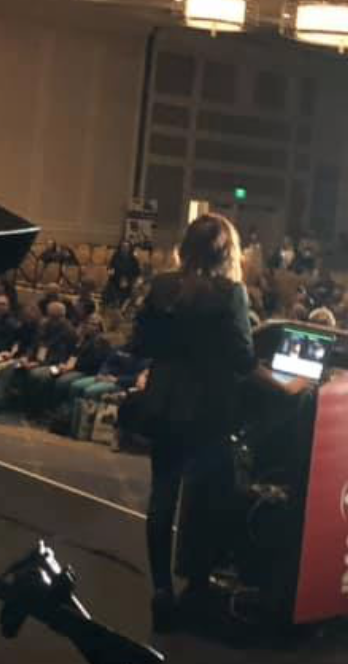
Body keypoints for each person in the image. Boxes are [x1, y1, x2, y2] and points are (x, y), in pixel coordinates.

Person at [131, 213, 257, 630]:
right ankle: (198, 584)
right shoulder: (230, 293)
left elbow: (141, 343)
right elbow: (242, 357)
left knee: (161, 499)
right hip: (209, 410)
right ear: (228, 252)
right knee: (210, 498)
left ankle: (161, 590)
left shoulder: (163, 287)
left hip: (165, 404)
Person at [103, 240, 142, 309]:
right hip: (116, 281)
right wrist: (110, 272)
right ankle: (113, 306)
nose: (125, 248)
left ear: (130, 248)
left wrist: (131, 281)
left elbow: (137, 273)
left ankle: (123, 307)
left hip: (129, 282)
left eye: (127, 247)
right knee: (110, 288)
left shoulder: (134, 260)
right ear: (120, 248)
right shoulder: (115, 257)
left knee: (131, 291)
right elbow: (110, 268)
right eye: (123, 246)